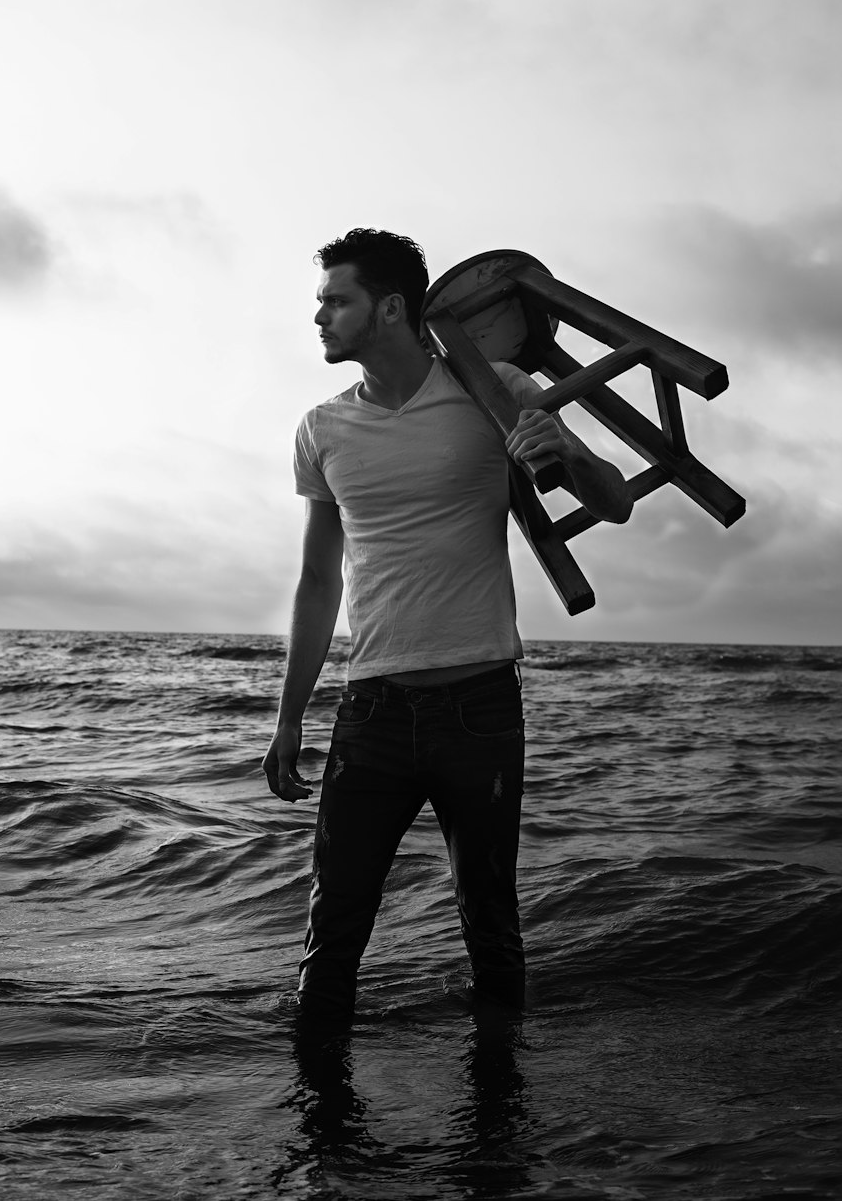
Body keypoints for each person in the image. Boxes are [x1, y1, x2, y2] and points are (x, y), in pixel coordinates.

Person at [263, 228, 632, 1026]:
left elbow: (613, 504)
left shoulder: (489, 387)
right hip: (373, 713)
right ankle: (318, 1139)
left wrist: (562, 443)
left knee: (492, 928)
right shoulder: (321, 429)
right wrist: (290, 715)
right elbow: (317, 579)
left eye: (337, 299)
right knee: (332, 934)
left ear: (390, 308)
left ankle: (499, 1133)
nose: (320, 315)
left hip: (480, 704)